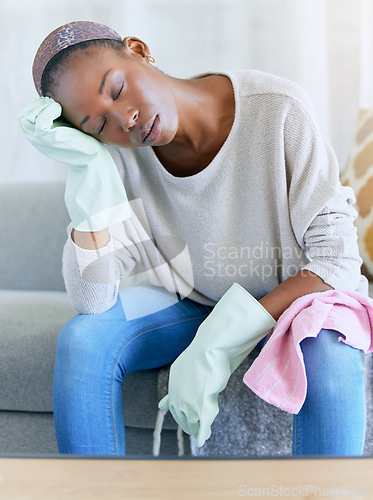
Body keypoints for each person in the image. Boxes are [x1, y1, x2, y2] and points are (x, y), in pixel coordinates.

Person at [18, 21, 368, 456]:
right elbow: (93, 300)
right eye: (97, 125)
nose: (123, 119)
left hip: (297, 302)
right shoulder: (114, 160)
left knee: (328, 355)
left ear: (139, 50)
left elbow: (337, 263)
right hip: (194, 300)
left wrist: (221, 340)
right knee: (83, 340)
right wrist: (88, 175)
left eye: (118, 88)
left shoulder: (277, 108)